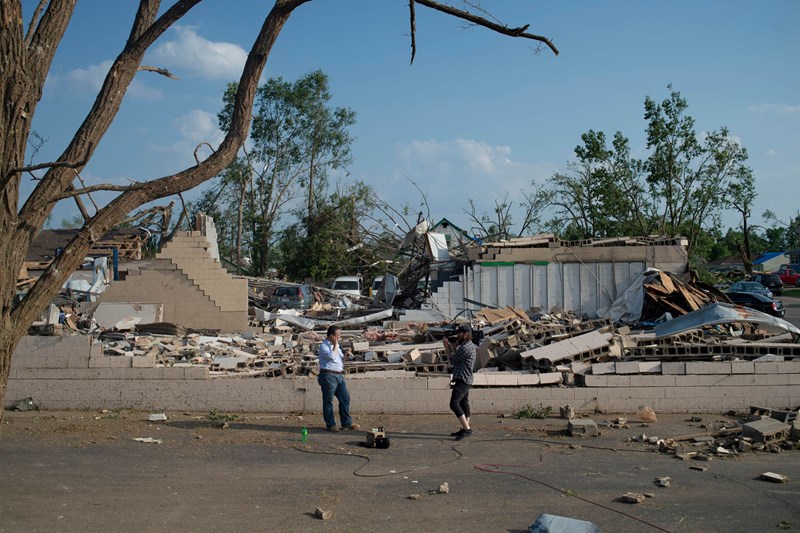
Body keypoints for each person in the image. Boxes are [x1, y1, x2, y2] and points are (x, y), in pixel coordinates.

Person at [317, 325, 360, 432]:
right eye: (337, 336)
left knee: (345, 398)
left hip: (339, 375)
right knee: (328, 401)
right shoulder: (324, 347)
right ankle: (330, 424)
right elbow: (331, 357)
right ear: (331, 336)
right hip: (328, 375)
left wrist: (346, 356)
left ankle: (346, 423)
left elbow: (339, 358)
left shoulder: (337, 346)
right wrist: (335, 345)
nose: (339, 337)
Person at [443, 323, 476, 440]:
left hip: (463, 378)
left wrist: (446, 347)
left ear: (466, 334)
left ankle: (467, 429)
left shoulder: (466, 348)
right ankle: (465, 427)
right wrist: (452, 346)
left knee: (454, 404)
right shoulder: (467, 346)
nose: (458, 335)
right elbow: (457, 356)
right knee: (463, 403)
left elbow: (452, 360)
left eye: (460, 333)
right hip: (465, 378)